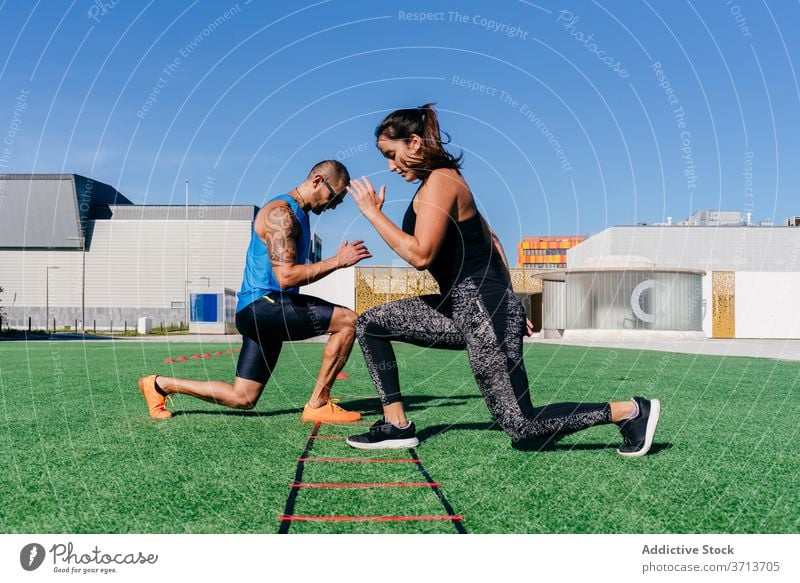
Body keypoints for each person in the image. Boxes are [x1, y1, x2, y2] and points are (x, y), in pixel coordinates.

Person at [344, 104, 660, 456]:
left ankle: (631, 411)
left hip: (480, 307)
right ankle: (397, 425)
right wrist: (510, 300)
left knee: (521, 425)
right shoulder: (436, 185)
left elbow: (421, 255)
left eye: (392, 154)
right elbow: (492, 239)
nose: (390, 165)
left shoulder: (442, 181)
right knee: (371, 324)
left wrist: (373, 214)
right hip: (465, 307)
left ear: (414, 143)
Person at [138, 160, 371, 423]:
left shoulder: (300, 216)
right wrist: (337, 262)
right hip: (264, 306)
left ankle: (159, 385)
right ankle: (318, 404)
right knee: (348, 321)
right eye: (335, 195)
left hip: (262, 311)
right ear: (317, 181)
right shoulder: (281, 214)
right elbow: (286, 277)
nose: (336, 204)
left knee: (243, 397)